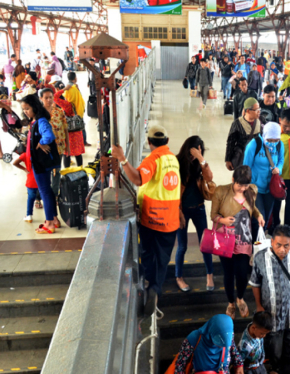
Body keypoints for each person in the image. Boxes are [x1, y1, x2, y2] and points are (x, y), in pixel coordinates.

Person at [112, 125, 181, 297]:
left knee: (148, 255)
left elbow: (137, 179)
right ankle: (155, 289)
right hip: (171, 221)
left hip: (153, 220)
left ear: (149, 142)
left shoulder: (153, 159)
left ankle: (150, 289)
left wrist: (122, 159)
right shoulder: (173, 159)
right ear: (167, 141)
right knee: (162, 259)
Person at [250, 224, 290, 374]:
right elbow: (255, 283)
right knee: (274, 352)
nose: (282, 249)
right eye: (278, 245)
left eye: (287, 245)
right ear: (272, 241)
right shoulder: (260, 258)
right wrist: (259, 306)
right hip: (271, 315)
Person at [211, 166, 265, 319]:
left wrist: (259, 215)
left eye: (245, 185)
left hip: (244, 240)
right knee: (228, 273)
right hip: (225, 239)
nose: (242, 188)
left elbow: (253, 209)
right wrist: (222, 220)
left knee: (241, 274)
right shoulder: (221, 191)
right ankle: (231, 303)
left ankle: (240, 298)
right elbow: (213, 215)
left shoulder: (251, 191)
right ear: (233, 180)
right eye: (239, 185)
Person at [175, 136, 215, 293]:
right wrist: (178, 212)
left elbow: (209, 178)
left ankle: (209, 275)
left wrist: (201, 159)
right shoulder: (177, 163)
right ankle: (178, 277)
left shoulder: (200, 164)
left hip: (199, 208)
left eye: (197, 152)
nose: (193, 157)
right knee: (182, 246)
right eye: (192, 153)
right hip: (182, 210)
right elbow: (174, 190)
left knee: (205, 244)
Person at [20, 94, 60, 234]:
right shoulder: (36, 120)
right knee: (47, 190)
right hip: (42, 162)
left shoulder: (41, 121)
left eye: (27, 108)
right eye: (23, 109)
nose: (25, 111)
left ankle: (49, 223)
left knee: (44, 191)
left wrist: (40, 143)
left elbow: (49, 136)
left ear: (35, 107)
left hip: (41, 163)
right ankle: (54, 219)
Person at [173, 314, 244, 374]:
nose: (220, 347)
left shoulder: (228, 335)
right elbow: (180, 364)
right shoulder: (195, 338)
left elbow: (233, 350)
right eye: (218, 343)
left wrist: (239, 364)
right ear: (211, 333)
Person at [243, 122, 284, 221]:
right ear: (264, 135)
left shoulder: (280, 145)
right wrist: (245, 186)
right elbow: (246, 166)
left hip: (270, 187)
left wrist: (278, 168)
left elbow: (281, 160)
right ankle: (255, 236)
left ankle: (261, 235)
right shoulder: (255, 144)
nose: (273, 142)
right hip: (255, 188)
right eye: (270, 140)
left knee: (266, 219)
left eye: (276, 140)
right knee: (259, 219)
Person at [39, 87, 69, 203]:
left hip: (58, 147)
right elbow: (33, 132)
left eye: (51, 97)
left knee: (56, 172)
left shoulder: (59, 112)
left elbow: (65, 129)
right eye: (46, 98)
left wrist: (68, 147)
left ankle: (55, 195)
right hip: (44, 149)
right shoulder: (38, 114)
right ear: (41, 99)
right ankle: (42, 196)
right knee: (45, 173)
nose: (49, 100)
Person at [53, 82, 84, 168]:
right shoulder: (80, 103)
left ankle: (67, 173)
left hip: (69, 132)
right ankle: (80, 170)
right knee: (78, 153)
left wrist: (63, 89)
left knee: (66, 153)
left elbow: (54, 97)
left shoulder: (67, 105)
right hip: (78, 131)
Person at [225, 97, 262, 171]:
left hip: (257, 157)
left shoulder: (261, 121)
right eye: (256, 110)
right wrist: (228, 159)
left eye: (259, 109)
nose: (259, 112)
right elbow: (230, 142)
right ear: (248, 110)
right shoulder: (237, 124)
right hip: (242, 159)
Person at [12, 149, 39, 223]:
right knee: (46, 199)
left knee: (30, 198)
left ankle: (29, 215)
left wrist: (25, 169)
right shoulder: (42, 153)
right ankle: (50, 217)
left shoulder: (25, 155)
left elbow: (15, 163)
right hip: (42, 181)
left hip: (31, 182)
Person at [62, 72, 88, 147]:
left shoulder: (69, 88)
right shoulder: (73, 88)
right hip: (77, 111)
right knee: (80, 127)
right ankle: (83, 142)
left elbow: (66, 99)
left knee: (74, 127)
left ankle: (78, 143)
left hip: (72, 112)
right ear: (75, 78)